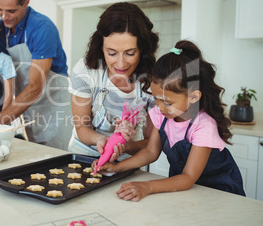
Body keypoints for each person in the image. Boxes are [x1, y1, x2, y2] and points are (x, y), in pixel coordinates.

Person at [94, 40, 246, 201]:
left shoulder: (204, 126)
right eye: (156, 99)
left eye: (167, 102)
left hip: (219, 192)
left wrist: (147, 186)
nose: (159, 107)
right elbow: (151, 152)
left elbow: (188, 177)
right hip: (185, 189)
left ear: (194, 96)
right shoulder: (162, 115)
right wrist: (116, 168)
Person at [68, 2, 159, 162]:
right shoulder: (86, 70)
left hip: (128, 162)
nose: (121, 63)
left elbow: (151, 142)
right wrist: (101, 140)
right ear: (101, 48)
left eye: (130, 53)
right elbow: (82, 127)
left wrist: (126, 145)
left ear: (142, 49)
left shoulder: (154, 80)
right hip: (83, 157)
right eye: (112, 53)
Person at [0, 0, 72, 150]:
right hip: (27, 108)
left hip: (56, 108)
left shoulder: (42, 28)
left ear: (26, 2)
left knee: (59, 164)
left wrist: (0, 121)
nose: (4, 17)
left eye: (11, 11)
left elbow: (35, 87)